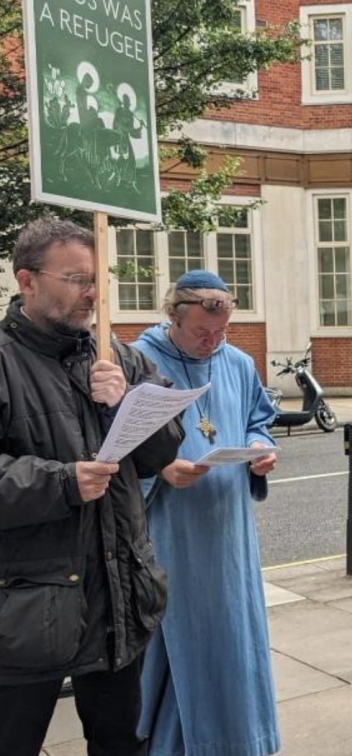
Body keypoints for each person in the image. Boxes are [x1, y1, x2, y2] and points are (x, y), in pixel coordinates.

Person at [0, 218, 182, 756]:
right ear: (27, 280)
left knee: (119, 741)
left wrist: (126, 402)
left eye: (98, 278)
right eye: (77, 279)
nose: (94, 293)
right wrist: (61, 483)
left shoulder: (119, 357)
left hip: (118, 603)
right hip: (28, 613)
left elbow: (164, 450)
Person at [133, 271, 281, 756]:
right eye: (201, 332)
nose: (212, 342)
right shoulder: (140, 362)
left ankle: (240, 741)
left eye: (221, 332)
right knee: (183, 641)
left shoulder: (235, 362)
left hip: (229, 533)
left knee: (234, 640)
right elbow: (115, 448)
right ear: (172, 317)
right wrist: (159, 468)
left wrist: (259, 448)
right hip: (171, 532)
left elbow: (258, 419)